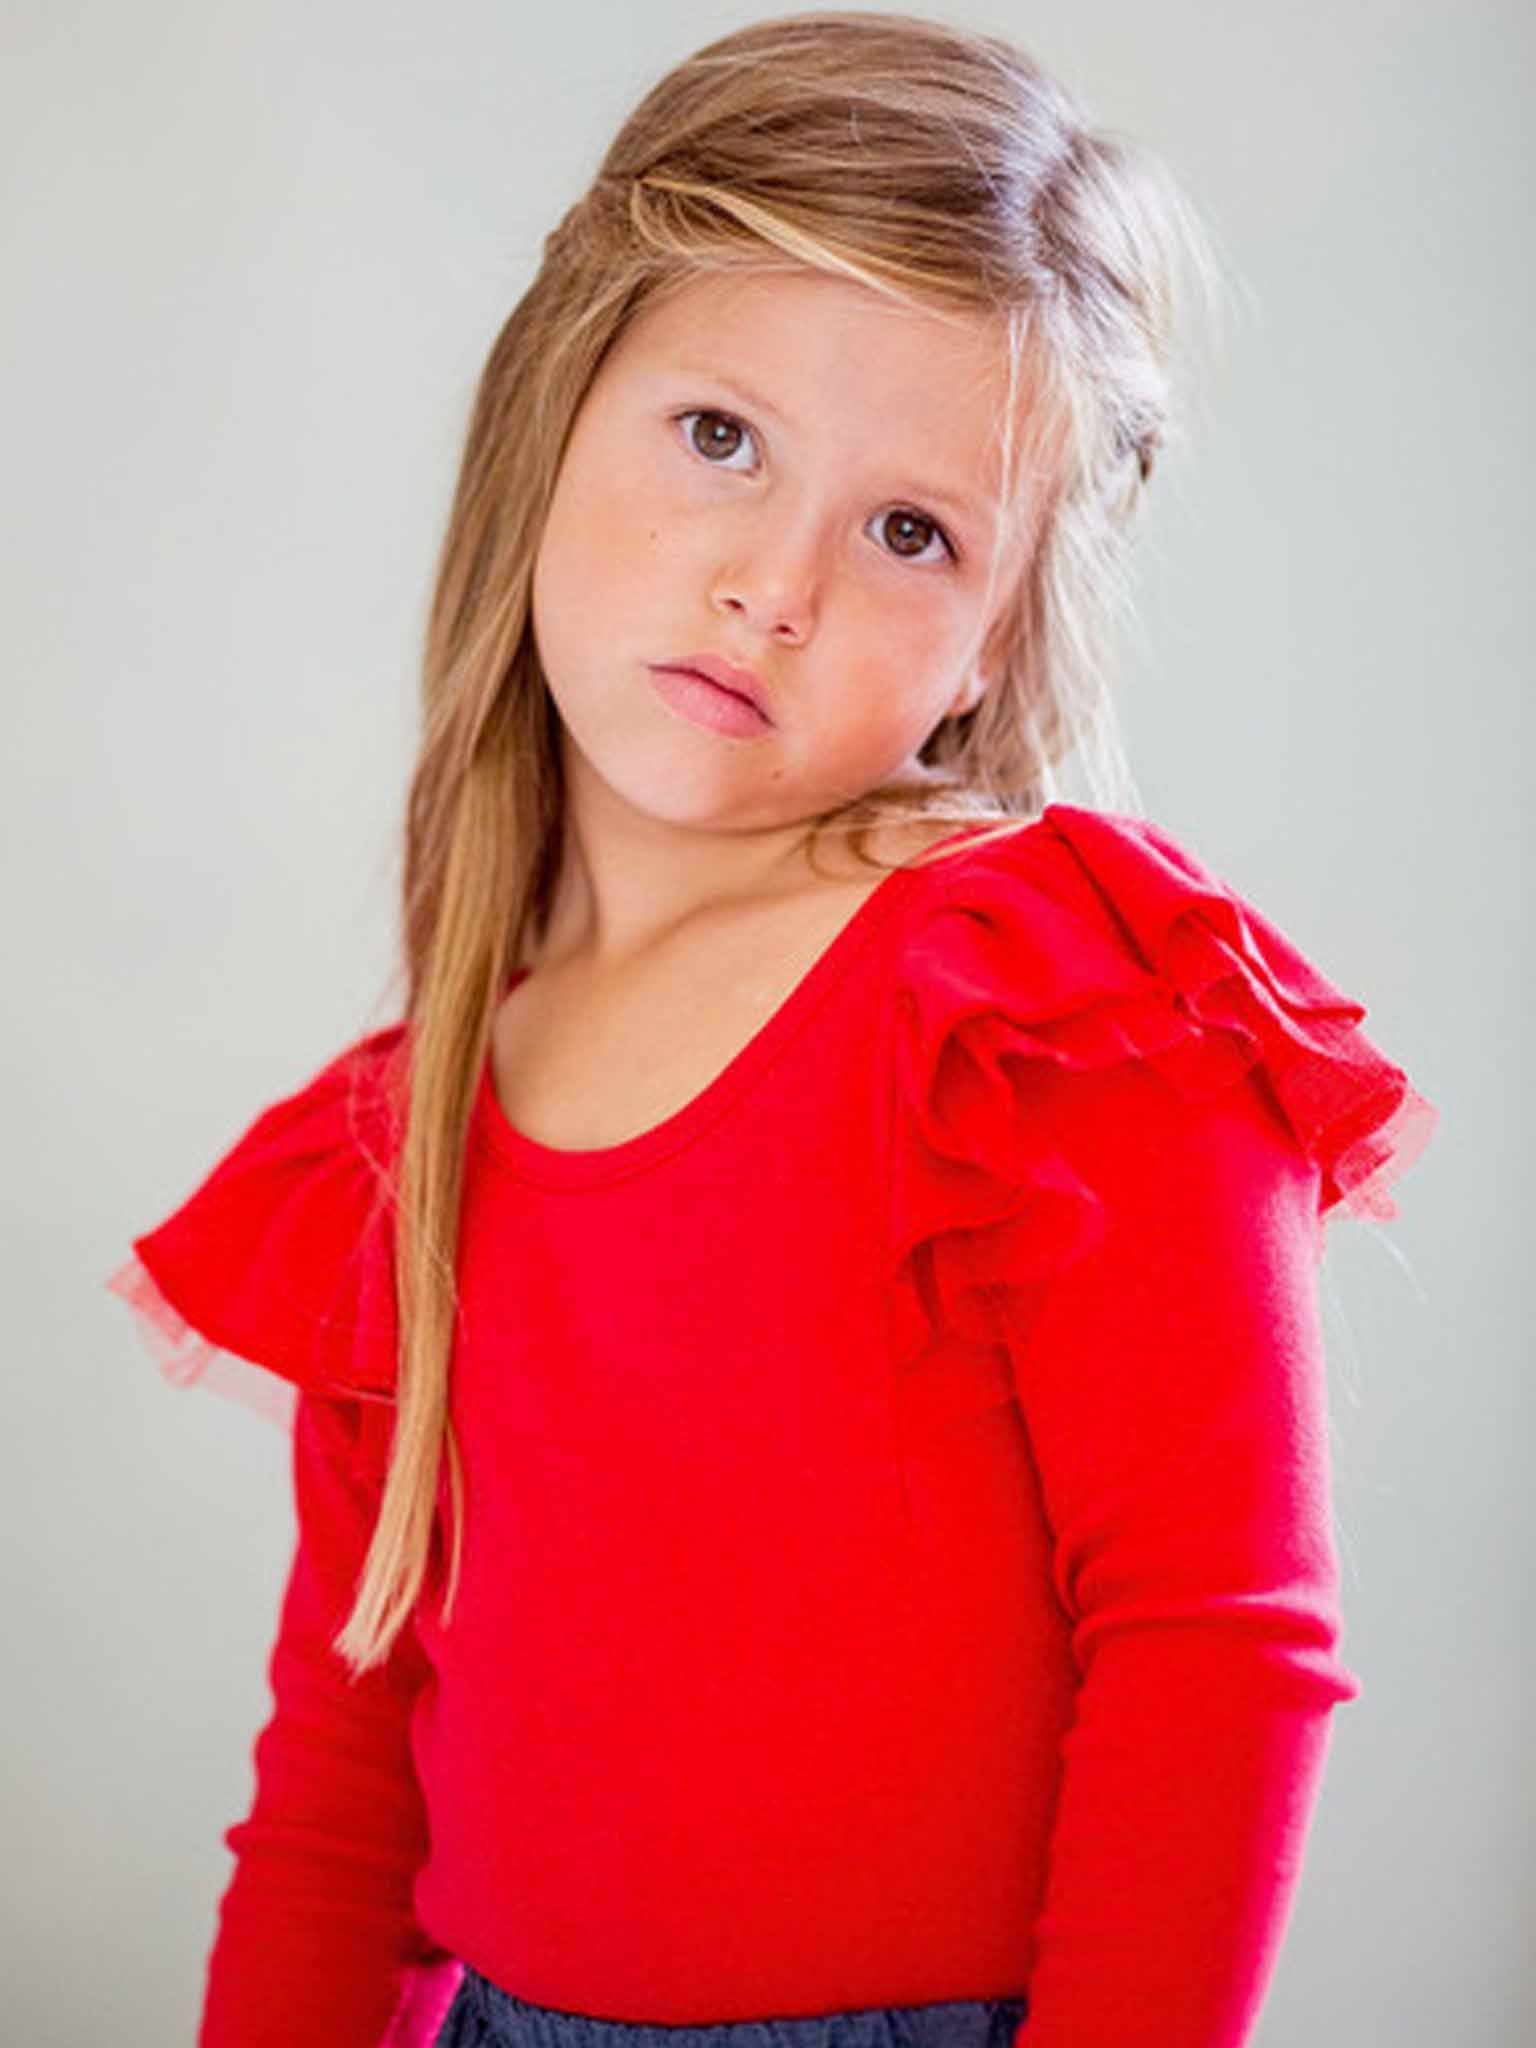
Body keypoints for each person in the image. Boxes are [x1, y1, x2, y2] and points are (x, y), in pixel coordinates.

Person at [104, 12, 1439, 2048]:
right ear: (561, 403)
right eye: (721, 436)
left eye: (913, 531)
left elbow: (1215, 1648)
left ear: (997, 638)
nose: (773, 585)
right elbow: (336, 1804)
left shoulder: (1051, 1001)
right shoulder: (408, 1129)